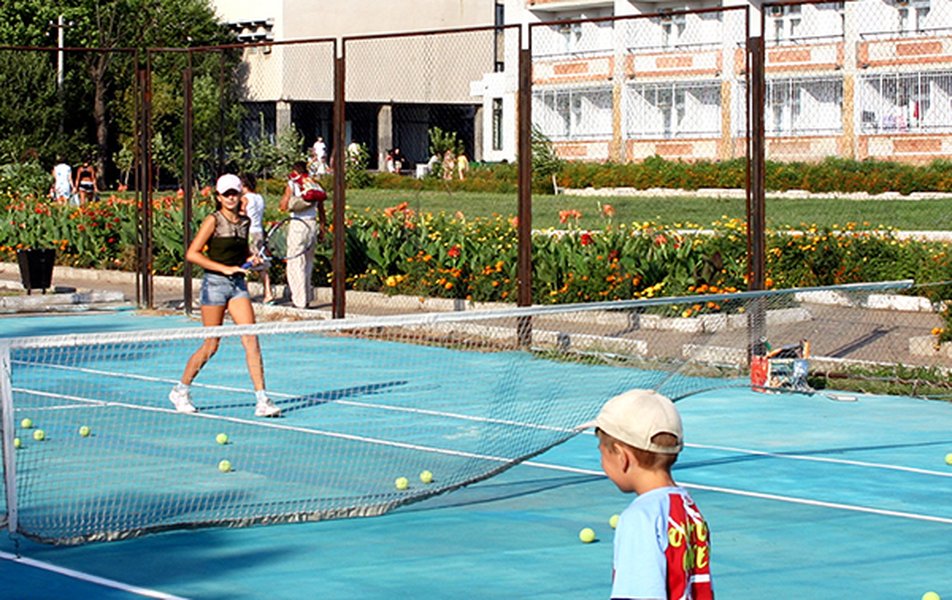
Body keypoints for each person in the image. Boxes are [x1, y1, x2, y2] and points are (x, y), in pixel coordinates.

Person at [168, 173, 281, 418]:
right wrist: (224, 269)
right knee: (211, 345)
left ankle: (262, 399)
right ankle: (181, 390)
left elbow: (242, 253)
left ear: (241, 195)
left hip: (237, 286)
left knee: (251, 339)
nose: (231, 198)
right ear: (218, 197)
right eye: (226, 194)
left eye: (234, 193)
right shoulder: (213, 220)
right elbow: (192, 254)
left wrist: (251, 259)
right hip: (214, 285)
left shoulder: (245, 222)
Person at [585, 389, 713, 599]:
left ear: (622, 457)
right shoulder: (689, 509)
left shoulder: (639, 518)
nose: (601, 462)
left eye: (602, 452)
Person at [279, 161, 325, 309]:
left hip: (298, 224)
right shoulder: (314, 184)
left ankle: (299, 301)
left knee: (295, 263)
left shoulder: (293, 184)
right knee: (308, 263)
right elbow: (321, 209)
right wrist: (322, 228)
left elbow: (283, 205)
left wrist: (287, 199)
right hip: (312, 224)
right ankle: (307, 297)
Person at [240, 173, 274, 304]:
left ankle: (244, 293)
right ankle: (268, 292)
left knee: (246, 263)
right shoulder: (259, 198)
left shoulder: (245, 199)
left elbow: (243, 215)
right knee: (262, 264)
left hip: (249, 232)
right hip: (259, 231)